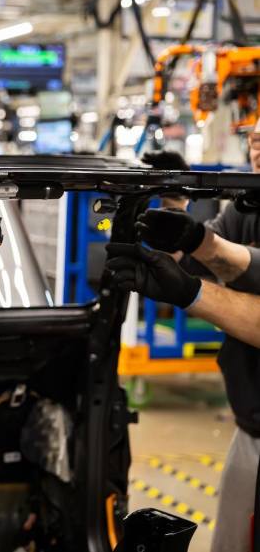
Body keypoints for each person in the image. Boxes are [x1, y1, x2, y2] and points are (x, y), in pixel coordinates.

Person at [107, 121, 260, 552]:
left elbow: (221, 256)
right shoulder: (247, 210)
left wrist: (197, 259)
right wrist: (172, 205)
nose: (257, 146)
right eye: (254, 137)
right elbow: (193, 255)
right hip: (250, 429)